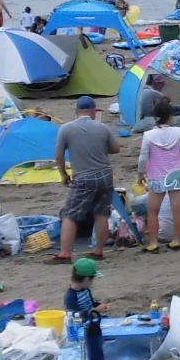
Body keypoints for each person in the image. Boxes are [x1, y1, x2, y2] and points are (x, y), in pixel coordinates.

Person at [53, 95, 118, 262]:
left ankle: (65, 253)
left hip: (83, 176)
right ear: (93, 111)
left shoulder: (66, 129)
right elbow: (115, 149)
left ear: (76, 111)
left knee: (70, 214)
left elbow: (59, 155)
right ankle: (98, 251)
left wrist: (63, 174)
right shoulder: (102, 128)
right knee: (101, 213)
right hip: (104, 174)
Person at [135, 99, 180, 252]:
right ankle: (176, 240)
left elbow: (143, 157)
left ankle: (153, 243)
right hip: (177, 175)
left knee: (153, 211)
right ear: (170, 116)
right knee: (177, 209)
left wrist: (141, 173)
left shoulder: (149, 135)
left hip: (157, 177)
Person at [65, 257, 106, 360]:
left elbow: (91, 303)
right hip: (81, 324)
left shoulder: (85, 290)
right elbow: (75, 316)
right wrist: (95, 310)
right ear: (87, 279)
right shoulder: (71, 296)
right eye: (92, 279)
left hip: (91, 319)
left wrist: (98, 306)